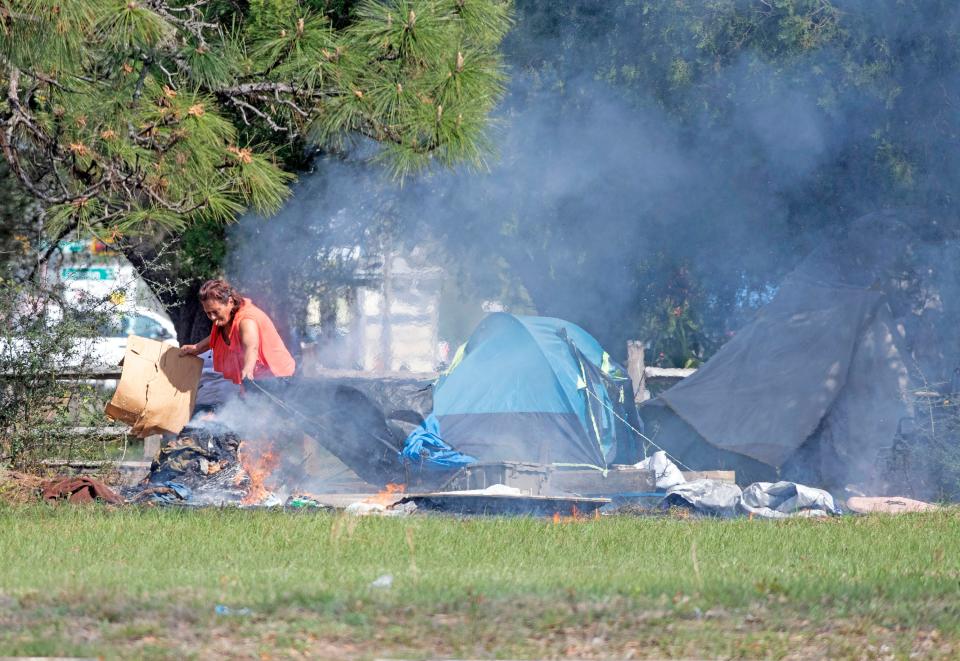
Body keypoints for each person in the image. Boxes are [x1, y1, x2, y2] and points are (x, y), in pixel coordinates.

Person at [179, 279, 296, 385]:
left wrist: (248, 369)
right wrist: (197, 348)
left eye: (215, 311)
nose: (212, 317)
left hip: (279, 379)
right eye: (208, 313)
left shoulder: (246, 320)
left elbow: (251, 347)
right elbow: (216, 338)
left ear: (230, 302)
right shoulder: (224, 320)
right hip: (255, 380)